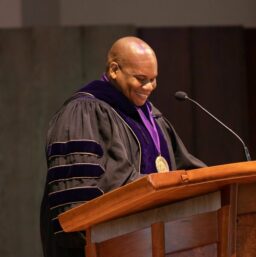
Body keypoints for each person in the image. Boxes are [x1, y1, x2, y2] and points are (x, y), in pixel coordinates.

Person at [40, 36, 205, 257]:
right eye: (141, 78)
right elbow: (78, 200)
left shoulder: (152, 117)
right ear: (114, 69)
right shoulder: (83, 113)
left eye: (154, 79)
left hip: (155, 244)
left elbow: (185, 171)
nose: (149, 87)